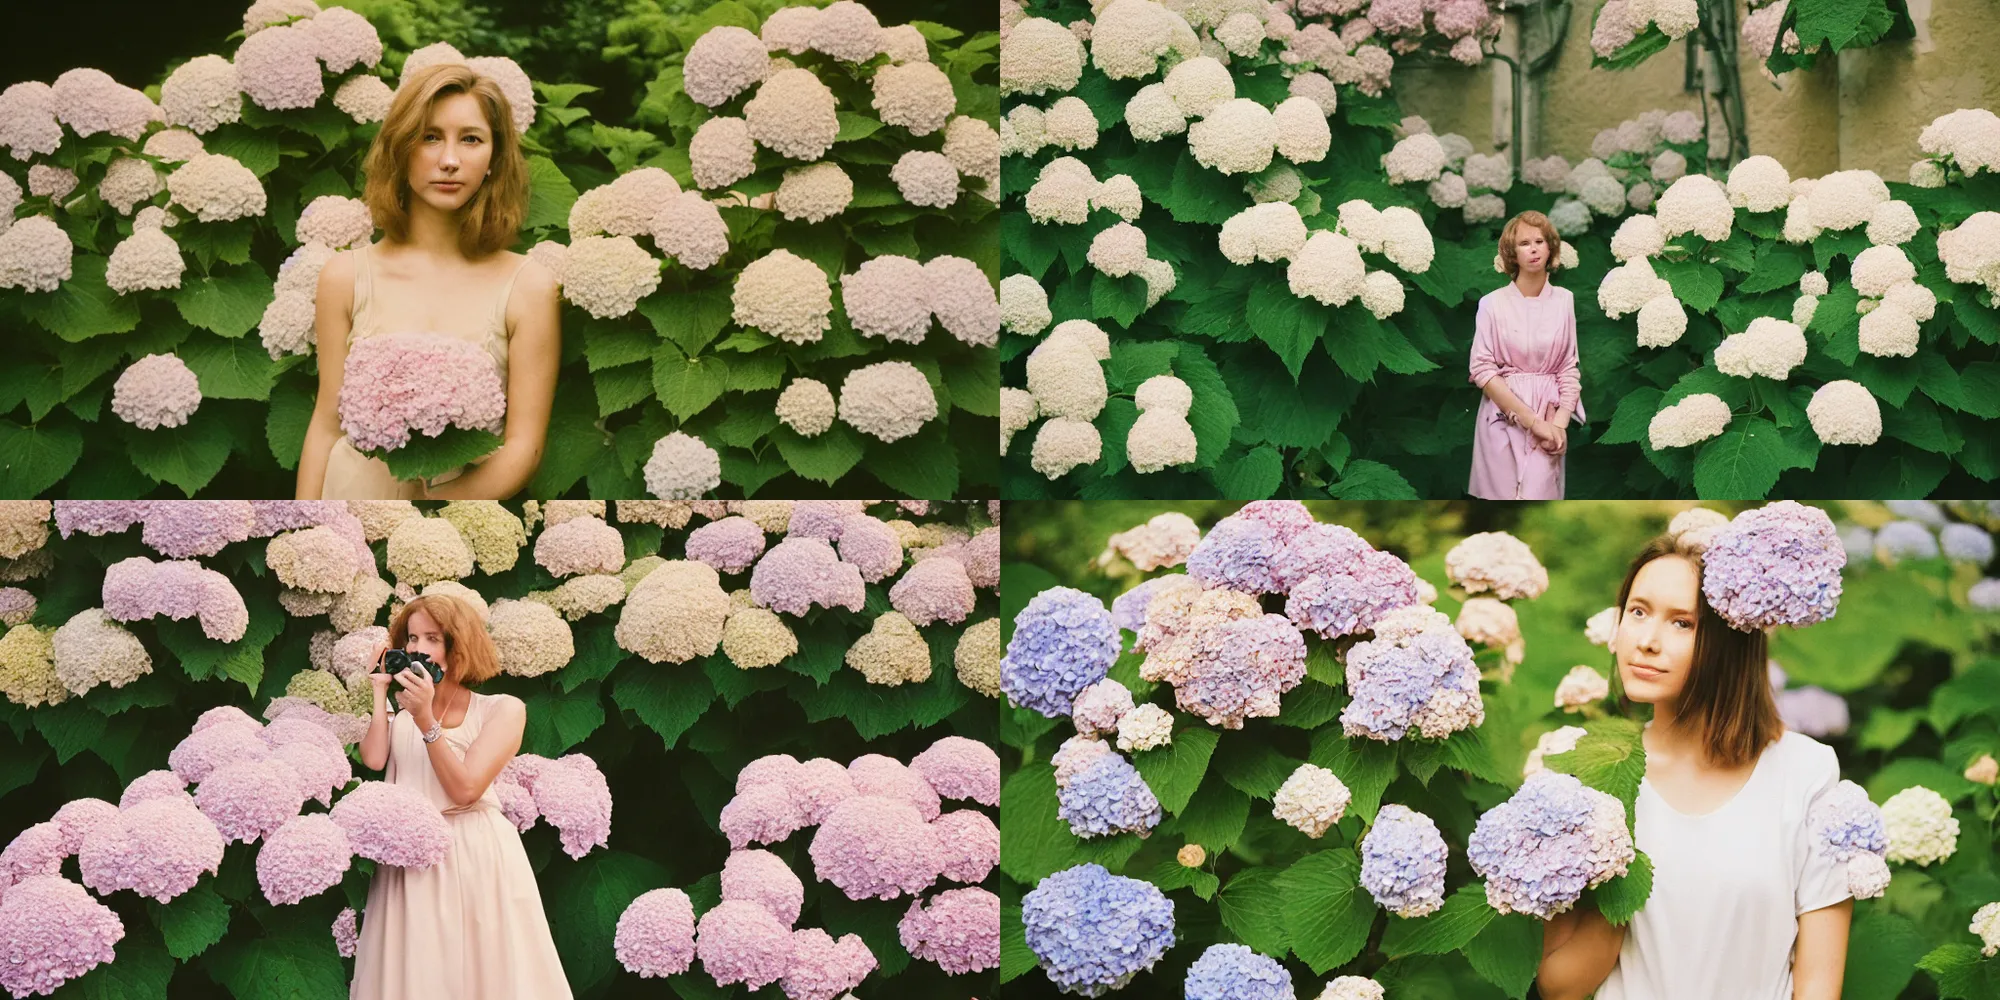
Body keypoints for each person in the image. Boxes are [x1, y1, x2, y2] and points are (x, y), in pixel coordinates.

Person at [1534, 533, 1854, 1000]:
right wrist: (1616, 883)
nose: (1646, 641)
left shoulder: (1807, 771)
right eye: (1638, 612)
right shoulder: (1589, 773)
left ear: (1731, 641)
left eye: (1682, 623)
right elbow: (1558, 986)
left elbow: (1819, 984)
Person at [297, 62, 561, 500]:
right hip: (347, 501)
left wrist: (425, 516)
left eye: (471, 139)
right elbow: (327, 425)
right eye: (430, 137)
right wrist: (300, 526)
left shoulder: (528, 285)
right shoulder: (344, 277)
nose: (450, 160)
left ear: (494, 159)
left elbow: (524, 449)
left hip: (457, 516)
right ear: (402, 149)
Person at [351, 593, 572, 1000]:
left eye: (431, 638)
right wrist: (381, 692)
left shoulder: (503, 710)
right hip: (412, 861)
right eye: (412, 638)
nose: (417, 648)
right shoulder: (403, 716)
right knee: (418, 976)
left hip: (475, 857)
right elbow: (373, 758)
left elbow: (466, 789)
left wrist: (427, 721)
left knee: (489, 974)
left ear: (457, 645)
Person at [1468, 211, 1585, 499]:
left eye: (1540, 241)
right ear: (1512, 252)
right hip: (1503, 415)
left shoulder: (1564, 300)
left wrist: (1558, 426)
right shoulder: (1491, 304)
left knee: (1540, 493)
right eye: (1524, 243)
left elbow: (1568, 367)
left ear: (1550, 248)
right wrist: (1533, 422)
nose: (1533, 249)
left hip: (1550, 412)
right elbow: (1482, 369)